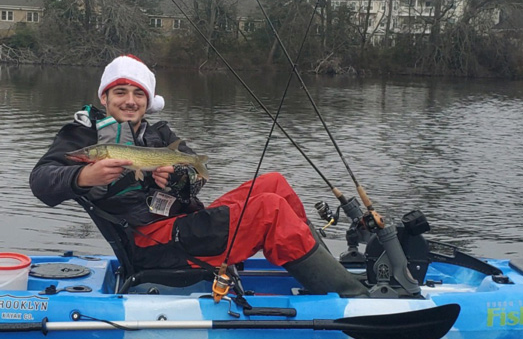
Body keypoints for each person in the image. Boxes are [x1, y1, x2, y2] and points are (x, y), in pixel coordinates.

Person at [29, 54, 368, 297]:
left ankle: (316, 268)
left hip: (180, 225)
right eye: (120, 92)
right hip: (151, 243)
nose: (129, 101)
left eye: (138, 94)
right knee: (269, 211)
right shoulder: (83, 136)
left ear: (147, 101)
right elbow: (41, 181)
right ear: (104, 97)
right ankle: (352, 297)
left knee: (273, 184)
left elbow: (195, 178)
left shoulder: (159, 134)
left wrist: (178, 181)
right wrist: (85, 177)